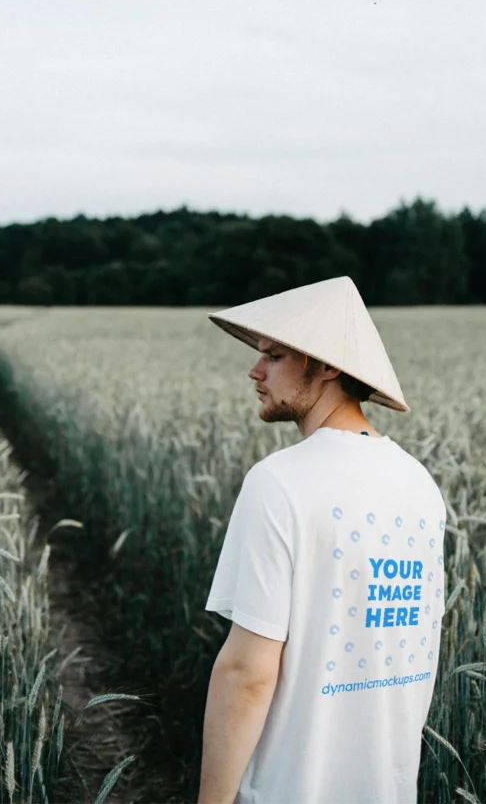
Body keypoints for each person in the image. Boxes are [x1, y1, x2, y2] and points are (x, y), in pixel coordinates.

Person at [198, 276, 446, 804]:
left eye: (274, 355)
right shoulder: (420, 485)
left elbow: (247, 674)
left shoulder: (279, 482)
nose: (254, 370)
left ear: (328, 365)